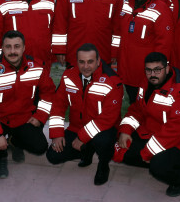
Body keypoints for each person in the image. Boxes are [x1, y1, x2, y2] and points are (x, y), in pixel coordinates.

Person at [117, 52, 180, 197]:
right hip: (155, 133)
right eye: (149, 70)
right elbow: (136, 110)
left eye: (157, 70)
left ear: (167, 68)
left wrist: (147, 152)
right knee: (121, 149)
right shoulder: (146, 83)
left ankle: (179, 177)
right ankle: (155, 159)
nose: (153, 74)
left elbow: (174, 131)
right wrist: (125, 131)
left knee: (158, 165)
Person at [0, 30, 56, 178]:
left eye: (16, 46)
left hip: (24, 118)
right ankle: (0, 159)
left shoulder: (37, 67)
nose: (12, 51)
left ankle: (14, 142)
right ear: (2, 48)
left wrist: (40, 116)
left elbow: (49, 92)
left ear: (24, 48)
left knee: (40, 147)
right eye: (8, 47)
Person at [47, 43, 124, 185]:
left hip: (103, 130)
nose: (86, 66)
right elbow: (58, 106)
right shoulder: (68, 76)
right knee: (53, 156)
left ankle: (103, 166)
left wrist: (82, 137)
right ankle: (86, 152)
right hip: (76, 127)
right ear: (76, 62)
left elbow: (108, 118)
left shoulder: (113, 81)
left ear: (98, 61)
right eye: (81, 62)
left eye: (90, 62)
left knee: (103, 141)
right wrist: (57, 133)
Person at [116, 0, 173, 103]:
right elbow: (120, 34)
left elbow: (164, 44)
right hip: (128, 71)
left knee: (148, 111)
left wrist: (157, 72)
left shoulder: (160, 7)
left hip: (147, 74)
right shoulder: (128, 3)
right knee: (134, 107)